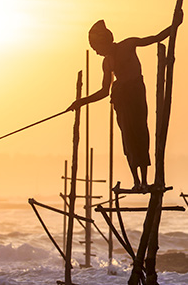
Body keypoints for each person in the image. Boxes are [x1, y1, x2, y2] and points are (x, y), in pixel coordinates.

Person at [68, 16, 181, 191]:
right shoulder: (107, 63)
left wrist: (175, 25)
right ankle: (136, 181)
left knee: (141, 134)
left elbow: (156, 38)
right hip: (122, 100)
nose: (97, 53)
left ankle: (144, 180)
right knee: (128, 139)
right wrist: (81, 102)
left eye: (98, 48)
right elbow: (104, 91)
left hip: (135, 94)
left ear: (106, 42)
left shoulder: (128, 45)